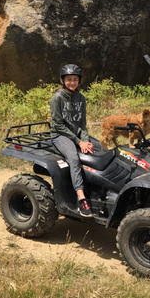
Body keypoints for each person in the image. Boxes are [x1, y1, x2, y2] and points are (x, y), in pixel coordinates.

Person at [49, 64, 94, 218]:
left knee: (95, 153)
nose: (72, 82)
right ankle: (82, 199)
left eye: (75, 79)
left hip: (76, 134)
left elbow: (82, 124)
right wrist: (78, 142)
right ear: (63, 80)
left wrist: (85, 141)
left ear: (79, 81)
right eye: (69, 80)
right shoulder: (57, 98)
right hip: (60, 135)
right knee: (74, 158)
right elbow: (58, 125)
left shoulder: (81, 98)